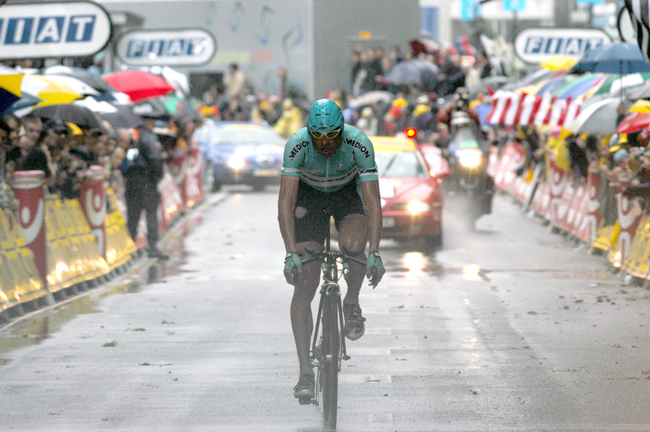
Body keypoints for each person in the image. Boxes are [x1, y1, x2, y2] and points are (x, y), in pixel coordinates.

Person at [277, 99, 385, 401]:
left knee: (352, 246)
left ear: (342, 131)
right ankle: (305, 372)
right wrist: (290, 253)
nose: (325, 143)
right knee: (306, 280)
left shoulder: (359, 144)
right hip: (309, 198)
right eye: (318, 136)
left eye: (332, 135)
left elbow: (373, 201)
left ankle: (351, 301)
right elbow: (285, 202)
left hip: (347, 196)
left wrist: (374, 250)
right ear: (309, 132)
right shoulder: (297, 145)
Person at [121, 114, 169, 260]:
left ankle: (129, 248)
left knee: (133, 216)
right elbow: (154, 157)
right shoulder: (149, 137)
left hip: (131, 180)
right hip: (147, 180)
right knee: (151, 214)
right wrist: (158, 175)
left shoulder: (132, 135)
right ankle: (152, 246)